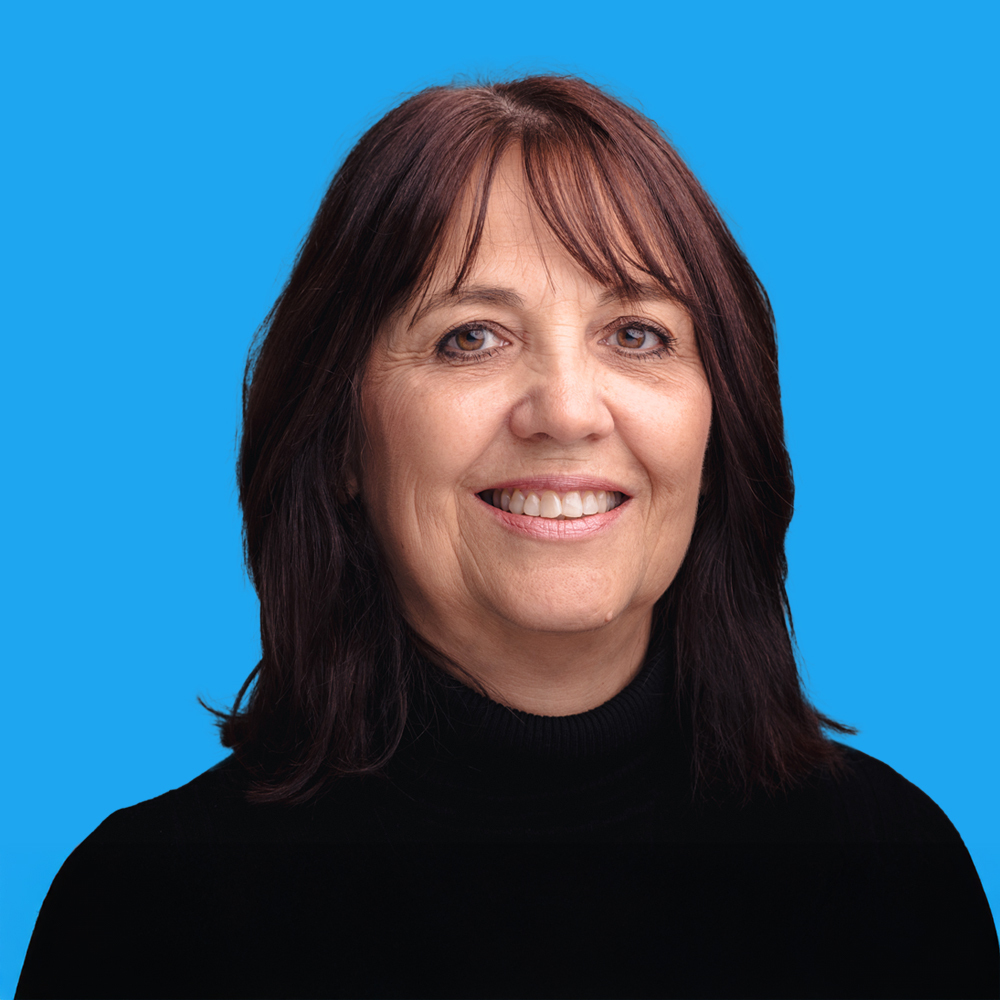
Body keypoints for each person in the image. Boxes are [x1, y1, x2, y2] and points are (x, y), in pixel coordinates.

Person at [16, 75, 997, 1000]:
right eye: (470, 337)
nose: (565, 412)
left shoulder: (895, 876)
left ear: (718, 421)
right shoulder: (144, 914)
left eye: (636, 333)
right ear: (343, 435)